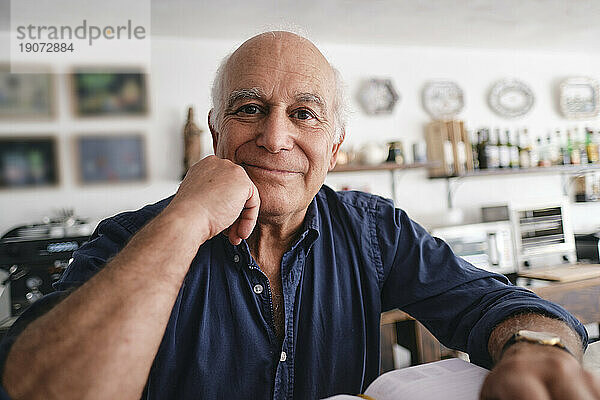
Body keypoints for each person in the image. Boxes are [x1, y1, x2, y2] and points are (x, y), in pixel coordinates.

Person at [0, 31, 597, 400]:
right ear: (216, 134)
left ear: (335, 148)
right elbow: (46, 389)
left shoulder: (375, 231)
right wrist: (184, 219)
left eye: (304, 115)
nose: (275, 137)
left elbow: (498, 304)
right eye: (249, 109)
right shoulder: (130, 239)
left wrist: (534, 347)